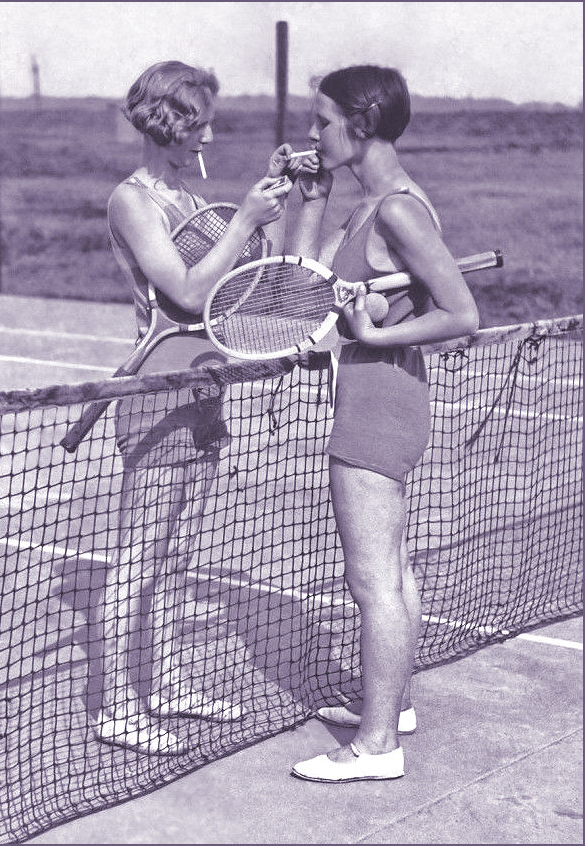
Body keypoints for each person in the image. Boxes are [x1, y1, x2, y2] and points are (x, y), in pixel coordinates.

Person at [285, 65, 479, 782]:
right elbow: (300, 283)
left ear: (361, 125)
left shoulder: (398, 209)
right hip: (382, 392)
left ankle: (375, 749)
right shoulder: (374, 202)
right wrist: (313, 197)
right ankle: (391, 707)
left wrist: (368, 334)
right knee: (391, 571)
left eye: (322, 121)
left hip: (379, 399)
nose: (312, 133)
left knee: (371, 581)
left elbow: (460, 317)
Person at [94, 61, 292, 755]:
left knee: (176, 555)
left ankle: (170, 682)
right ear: (169, 123)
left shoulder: (181, 192)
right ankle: (116, 707)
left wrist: (267, 213)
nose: (208, 133)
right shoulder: (133, 200)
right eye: (199, 121)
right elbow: (182, 292)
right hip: (156, 395)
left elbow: (241, 285)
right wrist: (242, 217)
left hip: (208, 387)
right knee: (137, 558)